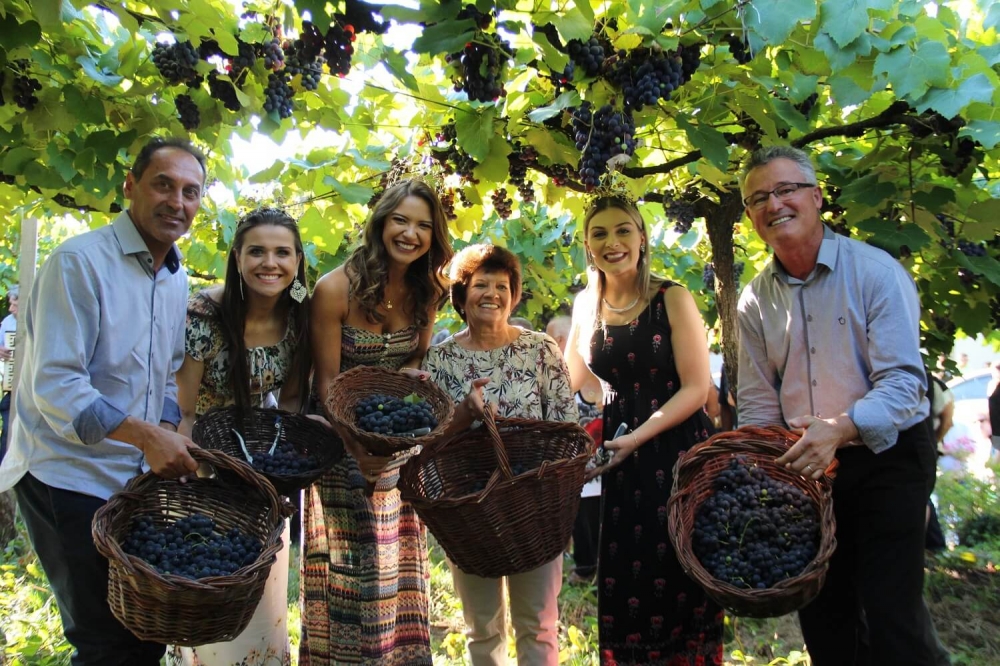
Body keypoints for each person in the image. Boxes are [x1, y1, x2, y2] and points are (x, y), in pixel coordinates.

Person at [0, 137, 205, 665]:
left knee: (142, 634)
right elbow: (58, 387)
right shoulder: (79, 263)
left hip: (125, 477)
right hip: (65, 474)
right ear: (130, 186)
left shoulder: (175, 278)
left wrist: (162, 433)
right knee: (103, 642)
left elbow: (163, 379)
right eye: (163, 184)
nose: (176, 202)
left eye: (190, 191)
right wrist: (146, 436)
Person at [736, 145, 942, 665]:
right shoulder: (755, 301)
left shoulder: (875, 273)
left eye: (786, 189)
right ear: (750, 218)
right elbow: (759, 405)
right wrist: (765, 474)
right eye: (759, 197)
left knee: (892, 614)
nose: (774, 203)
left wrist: (841, 428)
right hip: (808, 466)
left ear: (816, 196)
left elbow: (903, 387)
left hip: (888, 457)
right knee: (825, 617)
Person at [562, 196, 722, 664]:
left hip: (676, 454)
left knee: (679, 576)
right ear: (587, 246)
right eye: (599, 234)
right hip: (620, 457)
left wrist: (638, 434)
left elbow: (697, 387)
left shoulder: (672, 296)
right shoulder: (585, 305)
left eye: (623, 230)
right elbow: (567, 379)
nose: (612, 242)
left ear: (642, 237)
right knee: (626, 578)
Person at [301, 179, 453, 666]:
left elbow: (414, 369)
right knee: (355, 571)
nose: (411, 233)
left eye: (424, 226)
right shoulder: (334, 289)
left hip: (397, 444)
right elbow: (325, 383)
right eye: (401, 220)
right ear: (381, 222)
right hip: (339, 440)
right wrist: (358, 446)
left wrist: (395, 441)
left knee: (396, 571)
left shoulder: (428, 290)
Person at [168, 208, 312, 665]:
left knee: (260, 603)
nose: (270, 263)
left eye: (282, 253)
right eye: (257, 251)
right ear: (236, 257)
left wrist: (274, 477)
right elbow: (184, 411)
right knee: (210, 588)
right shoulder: (204, 314)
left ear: (298, 260)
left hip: (260, 465)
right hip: (204, 463)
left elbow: (288, 406)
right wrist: (196, 478)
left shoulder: (300, 315)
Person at [423, 243, 577, 665]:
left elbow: (568, 429)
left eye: (501, 286)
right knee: (482, 629)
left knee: (538, 625)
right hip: (470, 512)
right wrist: (462, 417)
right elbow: (427, 444)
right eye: (480, 285)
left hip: (534, 507)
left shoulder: (540, 349)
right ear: (462, 294)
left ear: (513, 295)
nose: (491, 293)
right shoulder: (441, 360)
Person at [547, 313, 603, 585]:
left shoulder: (606, 378)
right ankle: (585, 569)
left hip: (610, 467)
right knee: (581, 521)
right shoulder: (561, 386)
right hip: (579, 472)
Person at [0, 285, 18, 461]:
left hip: (31, 387)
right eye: (10, 304)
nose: (11, 309)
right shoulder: (8, 322)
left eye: (15, 305)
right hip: (12, 386)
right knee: (7, 427)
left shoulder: (38, 320)